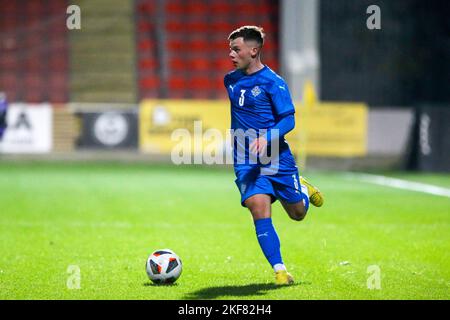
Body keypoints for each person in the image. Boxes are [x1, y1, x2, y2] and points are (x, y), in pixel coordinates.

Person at [224, 26, 324, 285]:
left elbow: (288, 119)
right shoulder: (230, 80)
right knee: (258, 208)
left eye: (236, 49)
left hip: (278, 160)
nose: (231, 54)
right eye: (230, 49)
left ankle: (301, 187)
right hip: (247, 161)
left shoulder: (274, 82)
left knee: (298, 213)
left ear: (254, 50)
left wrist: (267, 137)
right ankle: (280, 270)